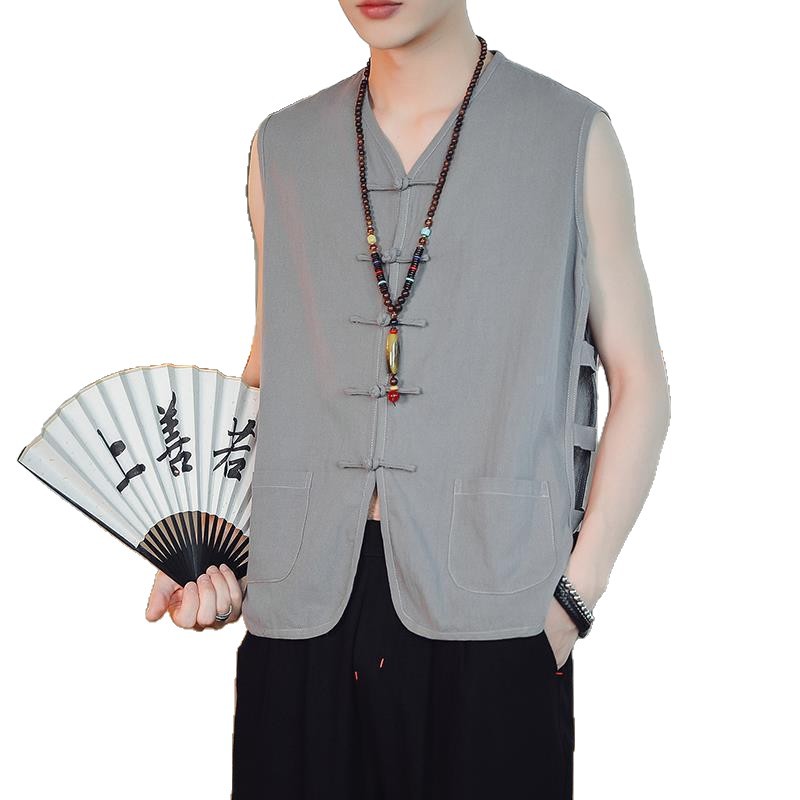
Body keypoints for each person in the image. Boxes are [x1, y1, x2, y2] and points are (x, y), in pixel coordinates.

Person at [145, 2, 671, 797]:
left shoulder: (572, 137)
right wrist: (210, 544)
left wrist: (572, 602)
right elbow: (273, 365)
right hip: (301, 610)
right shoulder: (280, 147)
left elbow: (640, 382)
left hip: (497, 608)